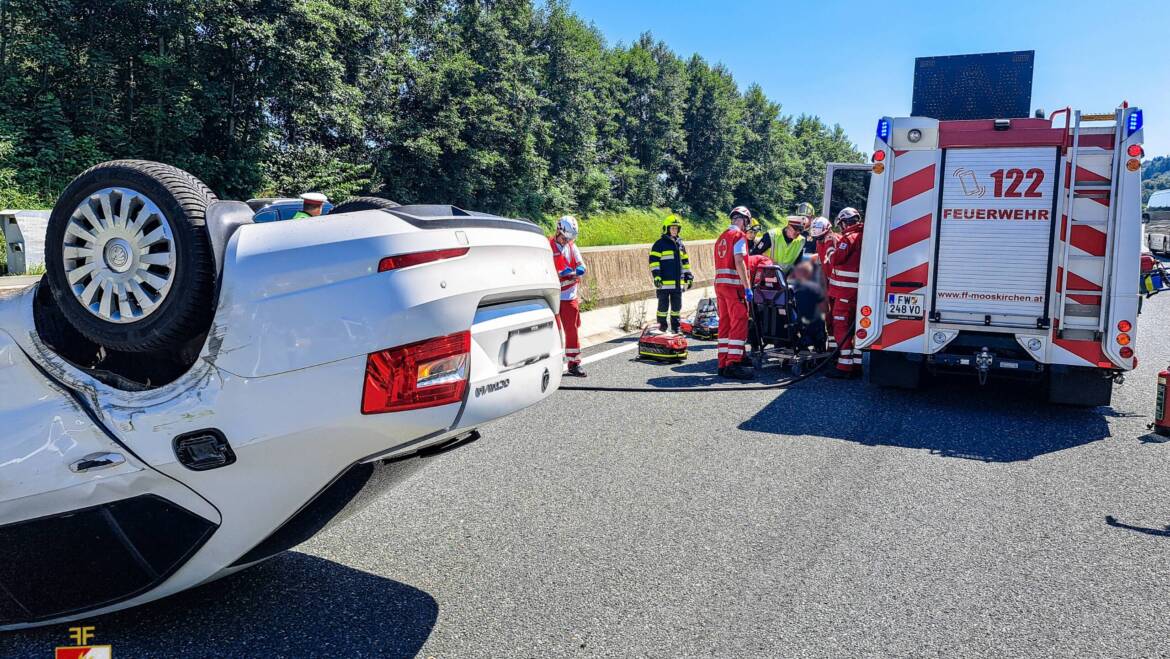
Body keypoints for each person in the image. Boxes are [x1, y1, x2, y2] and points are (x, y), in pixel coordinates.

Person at [714, 206, 754, 380]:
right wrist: (747, 287)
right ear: (744, 220)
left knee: (725, 323)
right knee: (739, 321)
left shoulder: (721, 237)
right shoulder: (739, 236)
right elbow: (739, 261)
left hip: (720, 285)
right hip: (733, 287)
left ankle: (722, 363)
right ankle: (734, 362)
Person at [826, 207, 864, 378]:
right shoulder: (866, 235)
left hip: (845, 292)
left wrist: (829, 250)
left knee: (841, 325)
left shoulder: (848, 238)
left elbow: (837, 259)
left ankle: (844, 366)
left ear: (843, 223)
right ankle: (856, 363)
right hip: (858, 291)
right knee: (855, 327)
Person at [551, 215, 588, 377]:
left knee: (572, 330)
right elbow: (560, 270)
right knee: (552, 331)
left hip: (568, 296)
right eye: (565, 238)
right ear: (558, 231)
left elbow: (581, 267)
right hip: (551, 297)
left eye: (569, 239)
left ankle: (574, 363)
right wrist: (570, 273)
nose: (566, 241)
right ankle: (552, 362)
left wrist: (573, 272)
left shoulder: (572, 246)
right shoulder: (548, 245)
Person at [648, 215, 694, 332]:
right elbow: (654, 262)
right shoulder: (659, 244)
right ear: (666, 229)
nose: (674, 230)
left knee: (676, 308)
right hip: (663, 284)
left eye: (676, 228)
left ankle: (676, 328)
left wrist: (688, 276)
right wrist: (657, 276)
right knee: (662, 308)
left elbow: (685, 262)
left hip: (678, 284)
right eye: (672, 228)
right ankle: (662, 328)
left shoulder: (680, 245)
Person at [809, 216, 840, 350]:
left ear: (828, 230)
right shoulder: (819, 242)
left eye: (821, 237)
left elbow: (836, 262)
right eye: (817, 238)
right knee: (829, 317)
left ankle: (840, 350)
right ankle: (832, 349)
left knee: (839, 319)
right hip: (828, 283)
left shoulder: (834, 240)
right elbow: (823, 262)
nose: (819, 240)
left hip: (839, 285)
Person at [789, 261, 826, 351]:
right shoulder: (815, 288)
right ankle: (819, 346)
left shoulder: (791, 290)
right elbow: (825, 308)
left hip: (796, 323)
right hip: (810, 326)